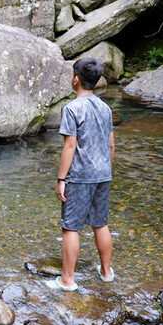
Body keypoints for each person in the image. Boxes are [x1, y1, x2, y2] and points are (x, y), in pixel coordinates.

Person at [46, 57, 115, 292]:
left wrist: (61, 179)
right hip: (103, 173)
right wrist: (106, 168)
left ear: (76, 79)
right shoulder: (105, 108)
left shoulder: (72, 108)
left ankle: (67, 280)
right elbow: (111, 144)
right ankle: (106, 272)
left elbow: (69, 147)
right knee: (100, 223)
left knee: (71, 227)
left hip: (80, 175)